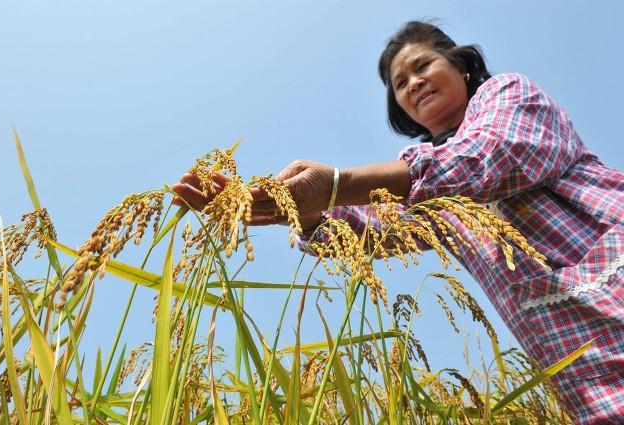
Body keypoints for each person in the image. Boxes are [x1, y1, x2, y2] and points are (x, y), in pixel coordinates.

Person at [173, 21, 624, 423]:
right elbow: (377, 230)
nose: (414, 83)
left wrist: (337, 183)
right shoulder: (426, 191)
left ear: (462, 65)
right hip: (576, 354)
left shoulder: (507, 95)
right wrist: (305, 213)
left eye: (423, 65)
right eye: (401, 83)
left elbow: (488, 158)